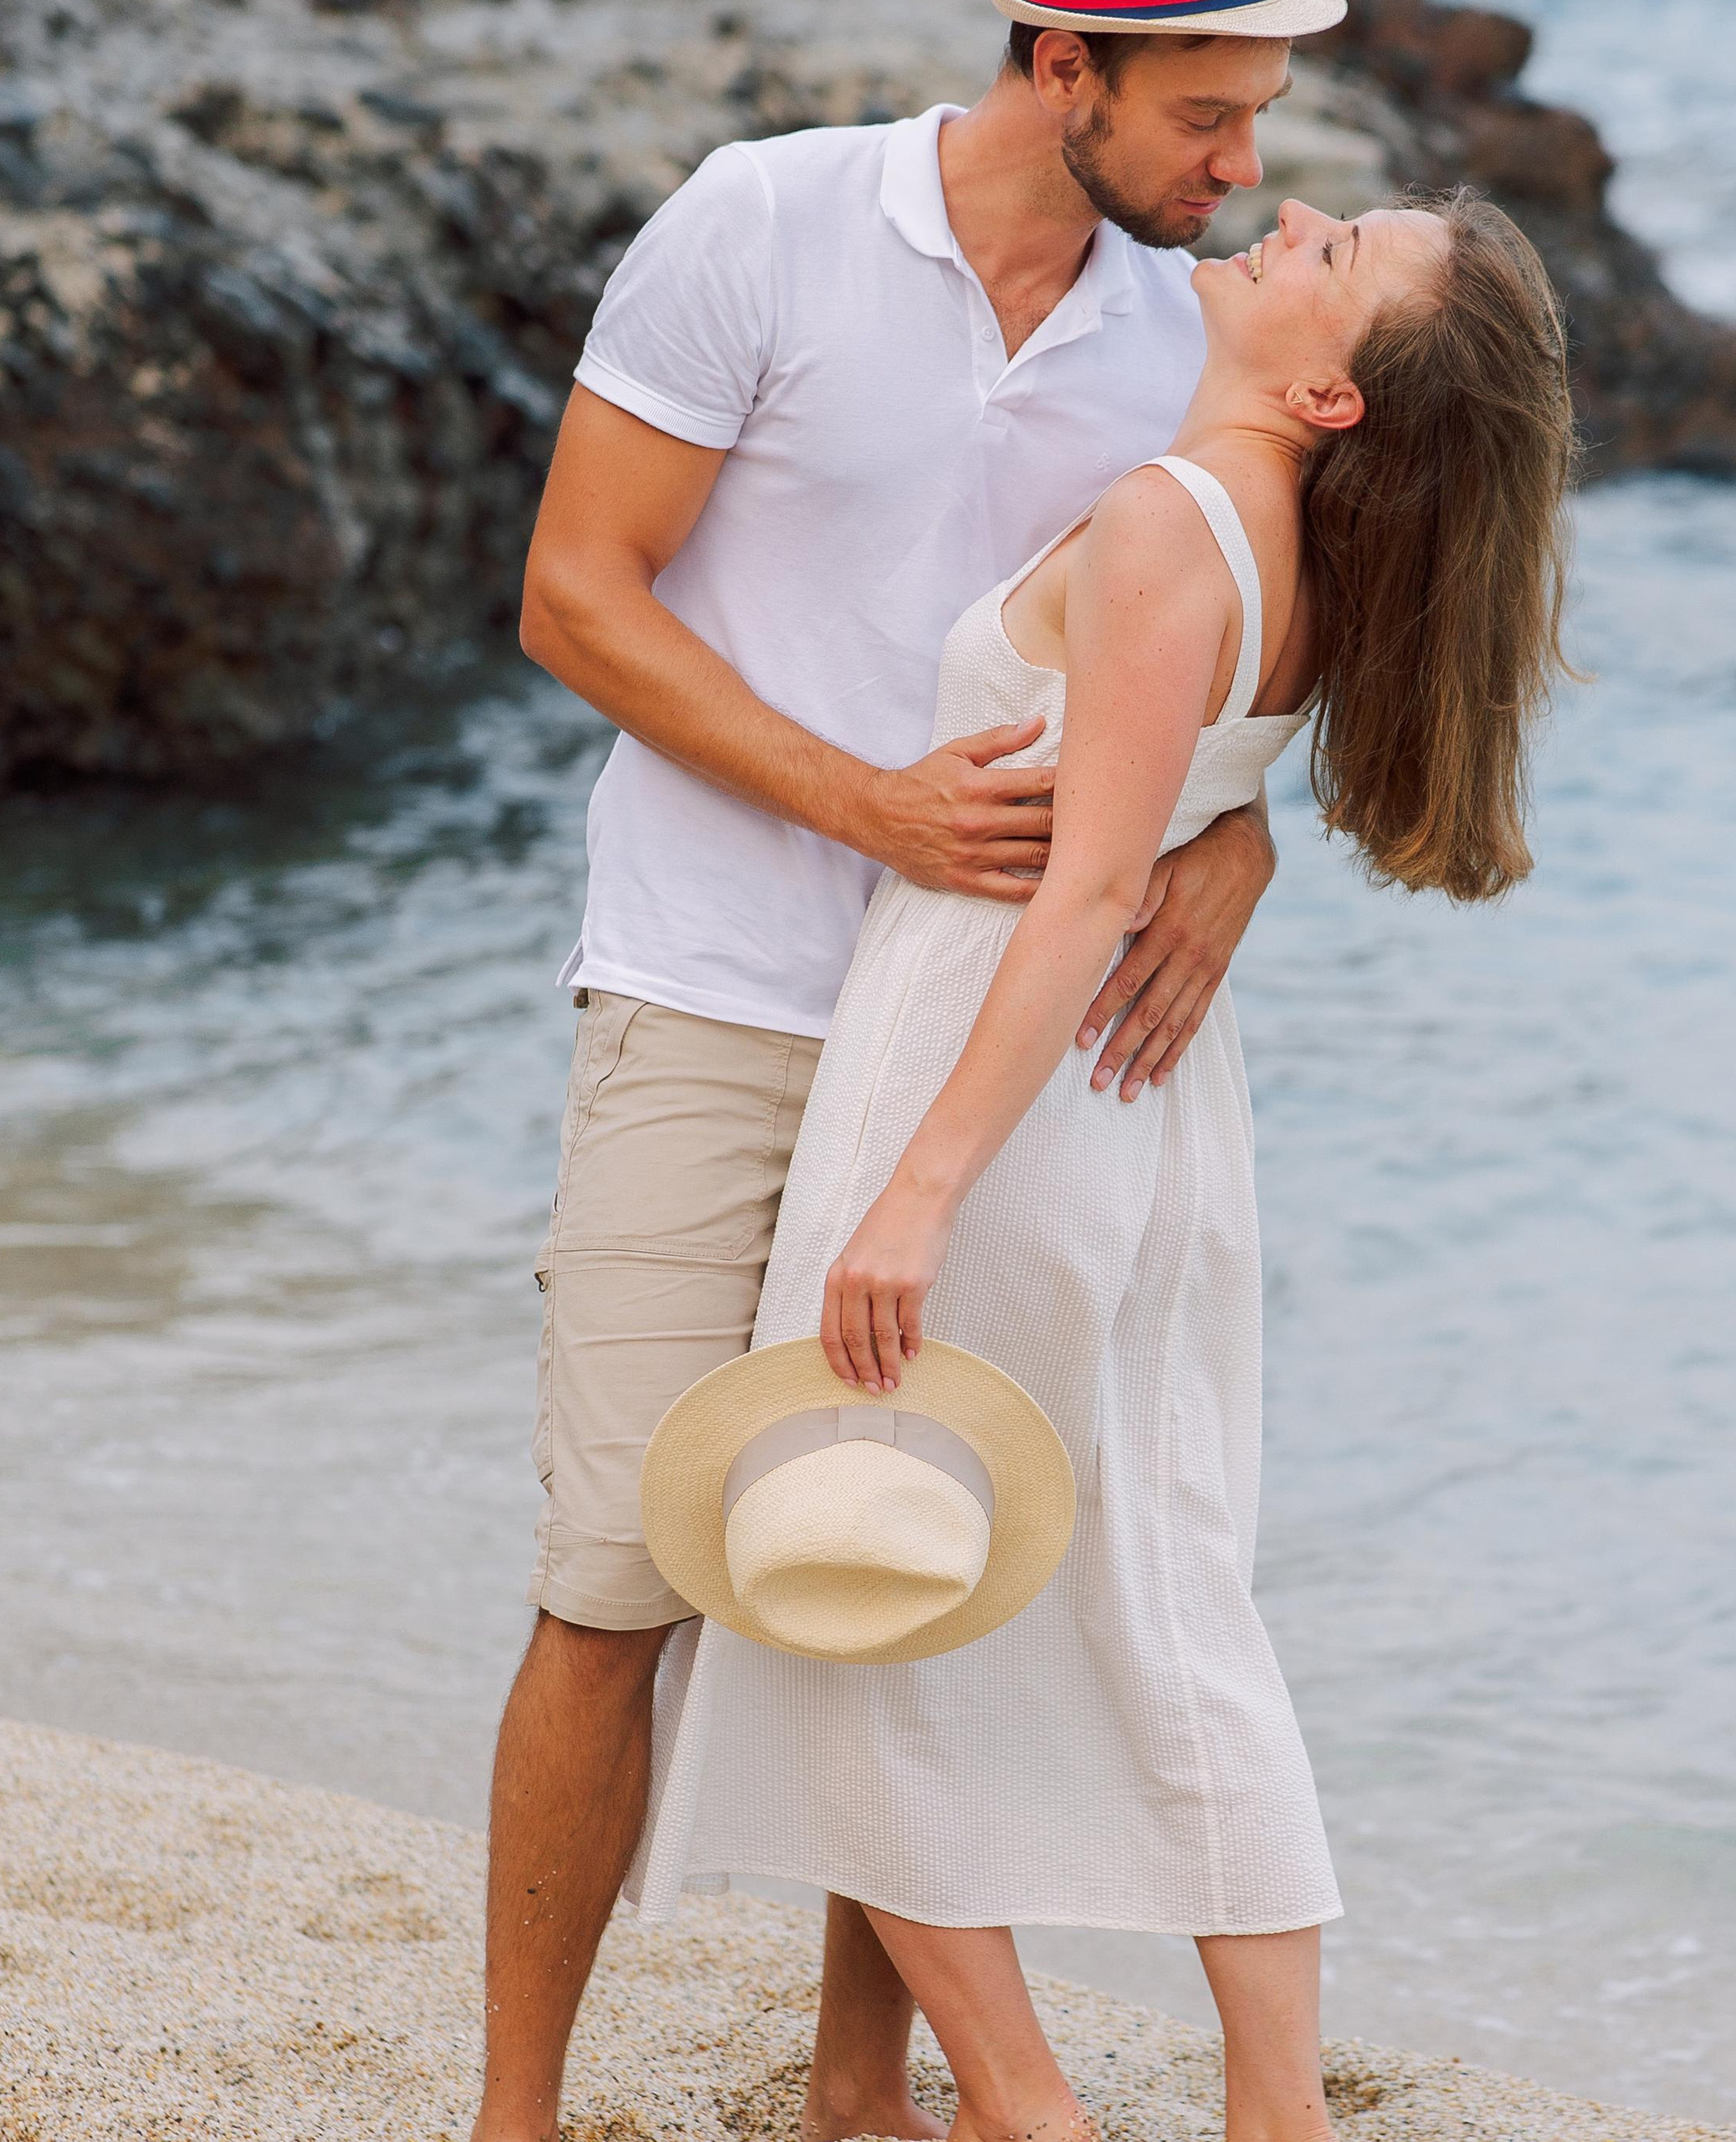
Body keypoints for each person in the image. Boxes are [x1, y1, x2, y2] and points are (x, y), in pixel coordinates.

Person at [626, 166, 1576, 2141]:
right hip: (1150, 1112)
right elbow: (1173, 820)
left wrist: (911, 1187)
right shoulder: (1307, 557)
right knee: (1161, 1592)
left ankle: (1028, 2102)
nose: (1289, 209)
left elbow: (1071, 900)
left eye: (1335, 253)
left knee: (849, 1590)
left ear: (1333, 397)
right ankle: (1271, 2107)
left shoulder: (1171, 520)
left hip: (986, 1069)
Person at [477, 9, 1346, 2140]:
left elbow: (1228, 646)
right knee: (619, 1577)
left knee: (903, 1555)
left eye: (1256, 124)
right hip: (711, 984)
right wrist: (861, 802)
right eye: (1205, 116)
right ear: (1066, 66)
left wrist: (1240, 839)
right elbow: (574, 595)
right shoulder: (762, 222)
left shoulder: (1186, 335)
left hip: (978, 1047)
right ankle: (509, 2115)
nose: (1238, 166)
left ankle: (862, 2091)